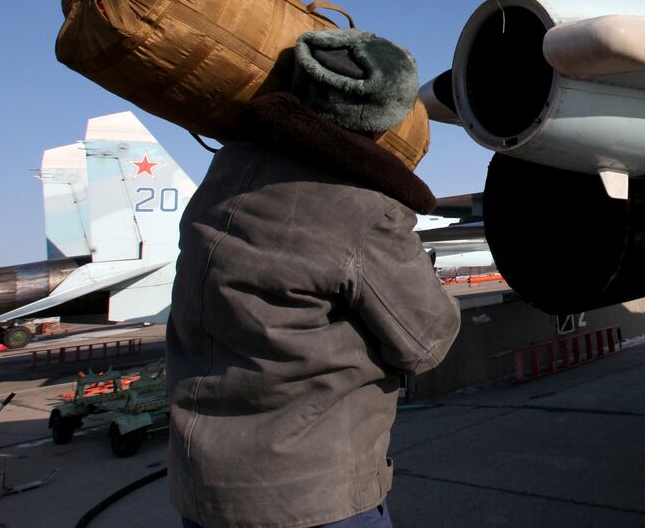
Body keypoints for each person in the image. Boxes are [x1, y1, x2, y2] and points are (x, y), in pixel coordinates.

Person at [167, 29, 461, 528]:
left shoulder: (226, 175)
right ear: (383, 118)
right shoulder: (365, 212)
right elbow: (427, 343)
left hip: (203, 492)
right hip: (312, 498)